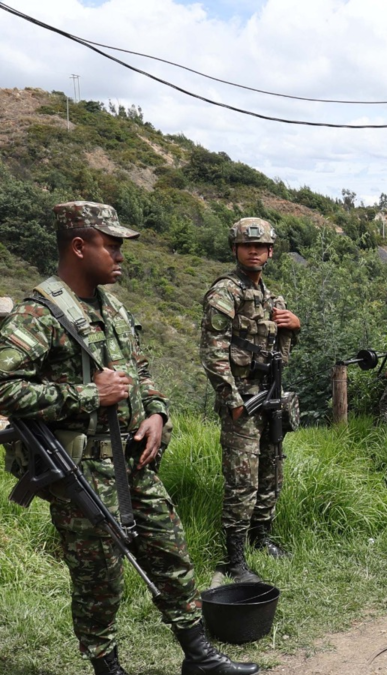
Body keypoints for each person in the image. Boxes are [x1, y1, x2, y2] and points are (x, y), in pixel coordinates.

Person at [0, 202, 258, 675]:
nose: (120, 256)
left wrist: (156, 412)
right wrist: (87, 395)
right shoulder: (39, 314)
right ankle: (108, 668)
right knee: (99, 579)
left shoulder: (113, 306)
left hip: (133, 460)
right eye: (112, 246)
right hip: (82, 469)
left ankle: (199, 657)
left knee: (171, 554)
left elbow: (140, 370)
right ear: (80, 247)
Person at [202, 218, 301, 584]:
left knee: (271, 471)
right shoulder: (225, 292)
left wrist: (294, 327)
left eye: (261, 247)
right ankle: (235, 558)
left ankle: (262, 538)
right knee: (242, 480)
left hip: (270, 397)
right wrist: (233, 401)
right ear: (235, 249)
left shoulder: (272, 298)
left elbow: (282, 354)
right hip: (243, 401)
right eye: (247, 245)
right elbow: (212, 354)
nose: (254, 251)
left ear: (270, 252)